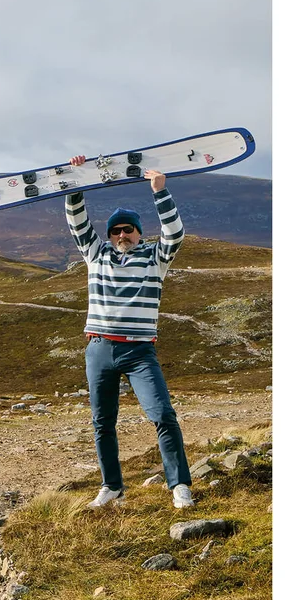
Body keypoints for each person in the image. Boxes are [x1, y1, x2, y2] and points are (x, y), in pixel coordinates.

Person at [63, 161, 197, 509]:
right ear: (109, 235)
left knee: (163, 415)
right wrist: (78, 181)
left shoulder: (156, 258)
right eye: (116, 231)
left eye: (129, 230)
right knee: (102, 422)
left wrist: (160, 191)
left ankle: (179, 485)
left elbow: (175, 234)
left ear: (139, 233)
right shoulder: (96, 254)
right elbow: (77, 221)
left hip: (139, 352)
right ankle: (112, 487)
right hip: (99, 349)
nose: (122, 236)